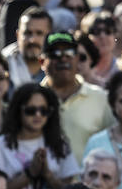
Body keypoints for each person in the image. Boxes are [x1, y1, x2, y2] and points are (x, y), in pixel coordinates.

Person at [0, 83, 79, 189]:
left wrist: (48, 175)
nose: (38, 115)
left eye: (44, 110)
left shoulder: (59, 144)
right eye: (31, 110)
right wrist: (29, 173)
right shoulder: (2, 144)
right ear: (18, 111)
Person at [40, 32, 111, 164]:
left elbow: (114, 145)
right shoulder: (32, 100)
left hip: (89, 183)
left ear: (78, 59)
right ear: (42, 62)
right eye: (55, 54)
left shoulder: (101, 98)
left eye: (69, 53)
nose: (63, 59)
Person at [5, 8, 53, 88]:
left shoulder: (57, 68)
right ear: (18, 35)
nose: (32, 40)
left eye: (39, 33)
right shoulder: (3, 66)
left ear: (50, 36)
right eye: (27, 33)